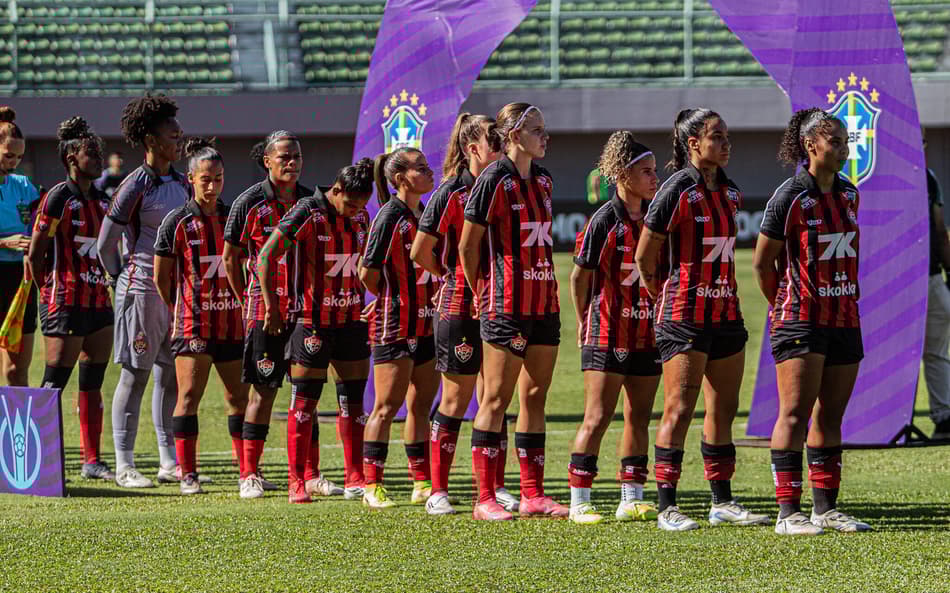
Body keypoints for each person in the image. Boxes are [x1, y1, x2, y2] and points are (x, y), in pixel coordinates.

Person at [635, 108, 768, 531]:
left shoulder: (730, 192)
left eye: (727, 135)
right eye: (717, 136)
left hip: (726, 313)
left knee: (723, 409)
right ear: (693, 143)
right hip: (684, 317)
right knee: (678, 409)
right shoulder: (675, 189)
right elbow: (644, 255)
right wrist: (666, 299)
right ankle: (666, 506)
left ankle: (721, 501)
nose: (726, 143)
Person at [753, 108, 871, 534]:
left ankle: (825, 509)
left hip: (844, 317)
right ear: (811, 146)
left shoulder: (850, 194)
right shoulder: (789, 197)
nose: (843, 148)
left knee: (831, 415)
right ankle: (788, 513)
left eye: (845, 141)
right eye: (835, 141)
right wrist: (786, 306)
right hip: (800, 319)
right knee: (794, 413)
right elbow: (763, 264)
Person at [460, 103, 567, 520]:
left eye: (544, 128)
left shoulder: (543, 180)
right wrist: (479, 290)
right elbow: (469, 247)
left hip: (545, 302)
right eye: (538, 130)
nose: (545, 136)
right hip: (505, 304)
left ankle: (532, 494)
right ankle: (484, 498)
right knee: (495, 398)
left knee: (535, 397)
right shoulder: (493, 179)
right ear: (514, 136)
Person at [411, 112, 521, 515]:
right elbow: (420, 252)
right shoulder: (451, 192)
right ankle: (438, 489)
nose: (503, 149)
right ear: (473, 149)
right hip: (460, 305)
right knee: (455, 398)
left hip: (500, 304)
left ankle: (493, 486)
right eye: (495, 143)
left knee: (495, 396)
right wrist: (450, 279)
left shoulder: (508, 185)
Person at [257, 159, 375, 503]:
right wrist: (272, 306)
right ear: (336, 191)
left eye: (361, 206)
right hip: (311, 322)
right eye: (350, 204)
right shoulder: (307, 212)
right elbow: (266, 257)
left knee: (353, 401)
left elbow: (367, 265)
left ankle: (355, 476)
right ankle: (298, 481)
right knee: (304, 403)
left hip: (352, 320)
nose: (355, 211)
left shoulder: (362, 217)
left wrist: (375, 297)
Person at [566, 131, 661, 525]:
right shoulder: (604, 220)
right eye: (646, 172)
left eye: (655, 171)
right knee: (597, 416)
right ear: (623, 175)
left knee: (639, 416)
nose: (654, 178)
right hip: (607, 331)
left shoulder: (657, 218)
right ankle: (580, 501)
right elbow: (578, 277)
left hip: (647, 333)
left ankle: (631, 497)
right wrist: (583, 318)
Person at [97, 94, 188, 488]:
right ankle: (124, 464)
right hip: (141, 291)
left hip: (175, 293)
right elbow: (105, 244)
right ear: (151, 140)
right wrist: (123, 280)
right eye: (173, 133)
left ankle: (168, 460)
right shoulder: (135, 185)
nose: (180, 138)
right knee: (135, 375)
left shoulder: (181, 182)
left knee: (171, 375)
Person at [153, 138, 248, 495]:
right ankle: (187, 473)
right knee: (189, 396)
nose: (212, 186)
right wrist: (180, 306)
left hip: (232, 324)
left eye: (218, 179)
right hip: (193, 324)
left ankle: (246, 472)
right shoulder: (176, 223)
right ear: (190, 179)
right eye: (205, 179)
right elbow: (161, 278)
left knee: (238, 398)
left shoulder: (233, 219)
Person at [223, 131, 311, 499]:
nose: (291, 163)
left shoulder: (310, 200)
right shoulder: (249, 202)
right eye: (284, 157)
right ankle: (249, 473)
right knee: (263, 391)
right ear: (267, 161)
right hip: (265, 308)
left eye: (296, 156)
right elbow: (230, 258)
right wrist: (246, 298)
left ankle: (309, 473)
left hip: (305, 307)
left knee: (306, 390)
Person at [26, 116, 114, 480]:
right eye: (88, 153)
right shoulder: (58, 197)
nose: (96, 157)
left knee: (93, 382)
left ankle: (91, 460)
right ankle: (34, 460)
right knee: (53, 384)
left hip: (99, 301)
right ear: (70, 160)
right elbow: (35, 253)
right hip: (64, 300)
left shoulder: (104, 200)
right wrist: (48, 292)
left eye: (98, 151)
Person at [358, 146, 440, 509]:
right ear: (399, 179)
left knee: (422, 405)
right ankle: (371, 484)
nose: (429, 171)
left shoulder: (424, 213)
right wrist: (390, 296)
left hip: (427, 324)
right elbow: (367, 272)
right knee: (386, 407)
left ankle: (420, 480)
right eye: (420, 168)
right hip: (395, 324)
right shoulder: (389, 216)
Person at [0, 106, 38, 387]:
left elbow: (41, 225)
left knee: (15, 369)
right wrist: (4, 242)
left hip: (21, 281)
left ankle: (15, 430)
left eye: (19, 157)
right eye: (8, 155)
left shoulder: (24, 185)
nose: (14, 162)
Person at [922, 131, 950, 441]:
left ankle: (944, 416)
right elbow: (940, 230)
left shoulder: (928, 178)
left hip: (929, 275)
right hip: (907, 278)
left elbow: (940, 231)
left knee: (937, 349)